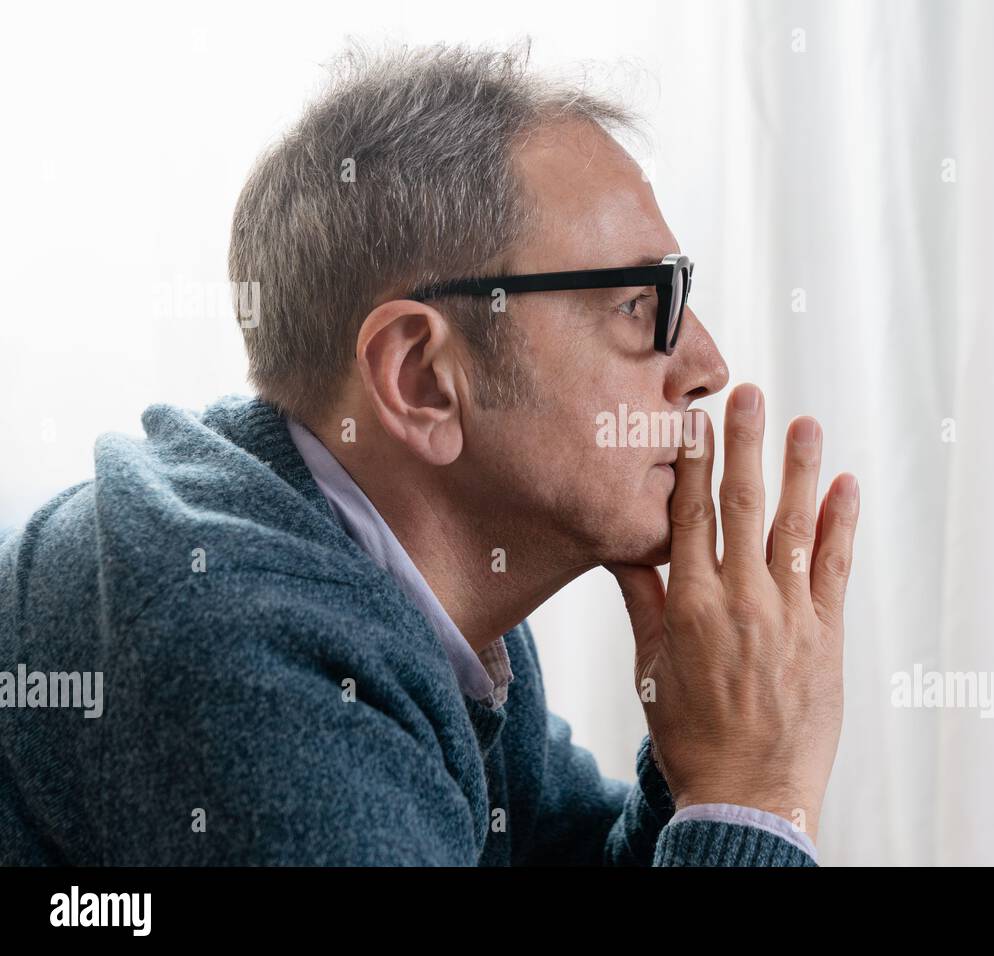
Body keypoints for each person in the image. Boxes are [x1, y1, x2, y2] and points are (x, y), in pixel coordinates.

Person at [0, 40, 858, 866]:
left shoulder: (406, 587)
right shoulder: (252, 657)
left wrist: (705, 765)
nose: (707, 366)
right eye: (638, 302)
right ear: (420, 379)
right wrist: (752, 792)